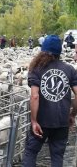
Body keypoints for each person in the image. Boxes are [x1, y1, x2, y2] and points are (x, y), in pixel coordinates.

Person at [22, 35, 77, 167]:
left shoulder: (36, 69)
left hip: (42, 121)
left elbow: (35, 96)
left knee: (31, 152)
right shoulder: (70, 69)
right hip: (61, 121)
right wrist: (72, 114)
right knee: (57, 157)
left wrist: (34, 121)